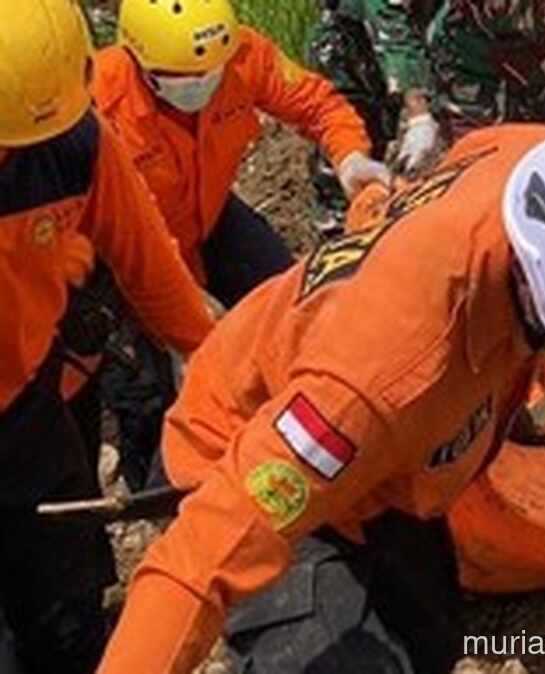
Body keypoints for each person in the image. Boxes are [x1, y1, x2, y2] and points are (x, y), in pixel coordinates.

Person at [96, 114, 545, 674]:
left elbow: (430, 198)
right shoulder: (375, 383)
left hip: (396, 470)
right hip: (251, 451)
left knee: (431, 638)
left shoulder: (540, 166)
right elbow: (208, 551)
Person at [88, 0, 391, 487]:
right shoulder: (100, 100)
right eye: (183, 77)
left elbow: (315, 102)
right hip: (127, 252)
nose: (202, 85)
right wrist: (191, 333)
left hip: (209, 216)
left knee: (293, 300)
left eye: (211, 72)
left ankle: (317, 425)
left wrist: (350, 156)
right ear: (139, 61)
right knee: (144, 388)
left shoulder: (241, 56)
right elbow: (139, 243)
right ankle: (160, 493)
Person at [0, 2, 215, 672]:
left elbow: (149, 267)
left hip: (23, 405)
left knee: (66, 599)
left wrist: (217, 364)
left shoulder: (74, 144)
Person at [307, 0, 545, 235]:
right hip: (361, 22)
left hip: (453, 22)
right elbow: (390, 10)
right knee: (353, 137)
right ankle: (341, 251)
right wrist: (419, 115)